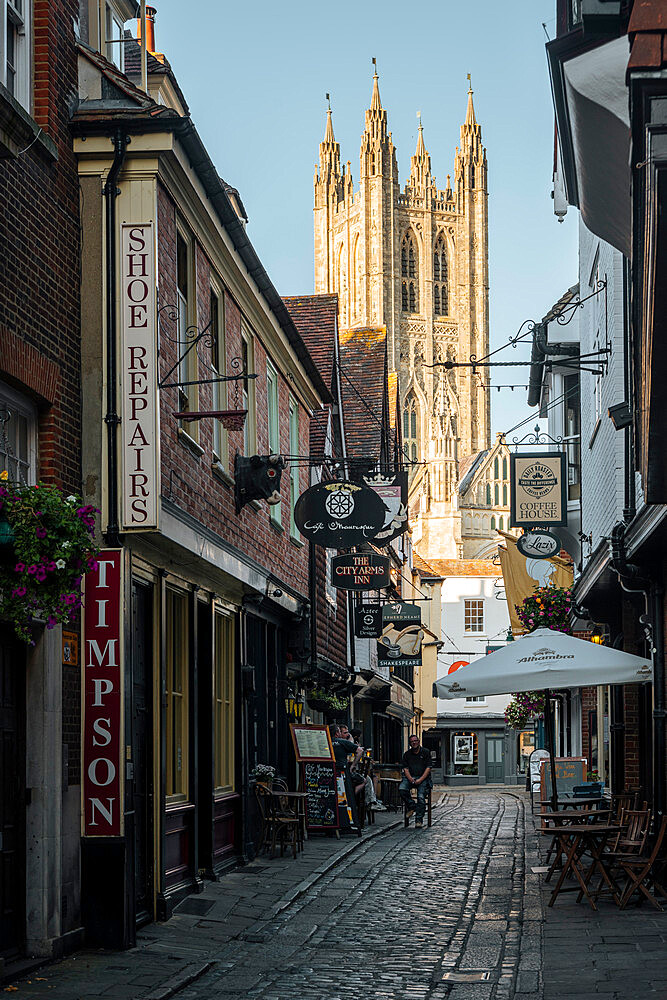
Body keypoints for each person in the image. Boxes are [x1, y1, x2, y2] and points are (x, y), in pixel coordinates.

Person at [400, 734, 432, 828]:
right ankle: (412, 806)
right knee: (402, 789)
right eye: (412, 741)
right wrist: (410, 779)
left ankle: (419, 819)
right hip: (410, 777)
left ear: (418, 742)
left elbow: (428, 768)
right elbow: (405, 769)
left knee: (421, 797)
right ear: (410, 744)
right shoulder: (407, 754)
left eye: (415, 741)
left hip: (423, 778)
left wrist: (420, 779)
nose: (414, 743)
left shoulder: (425, 752)